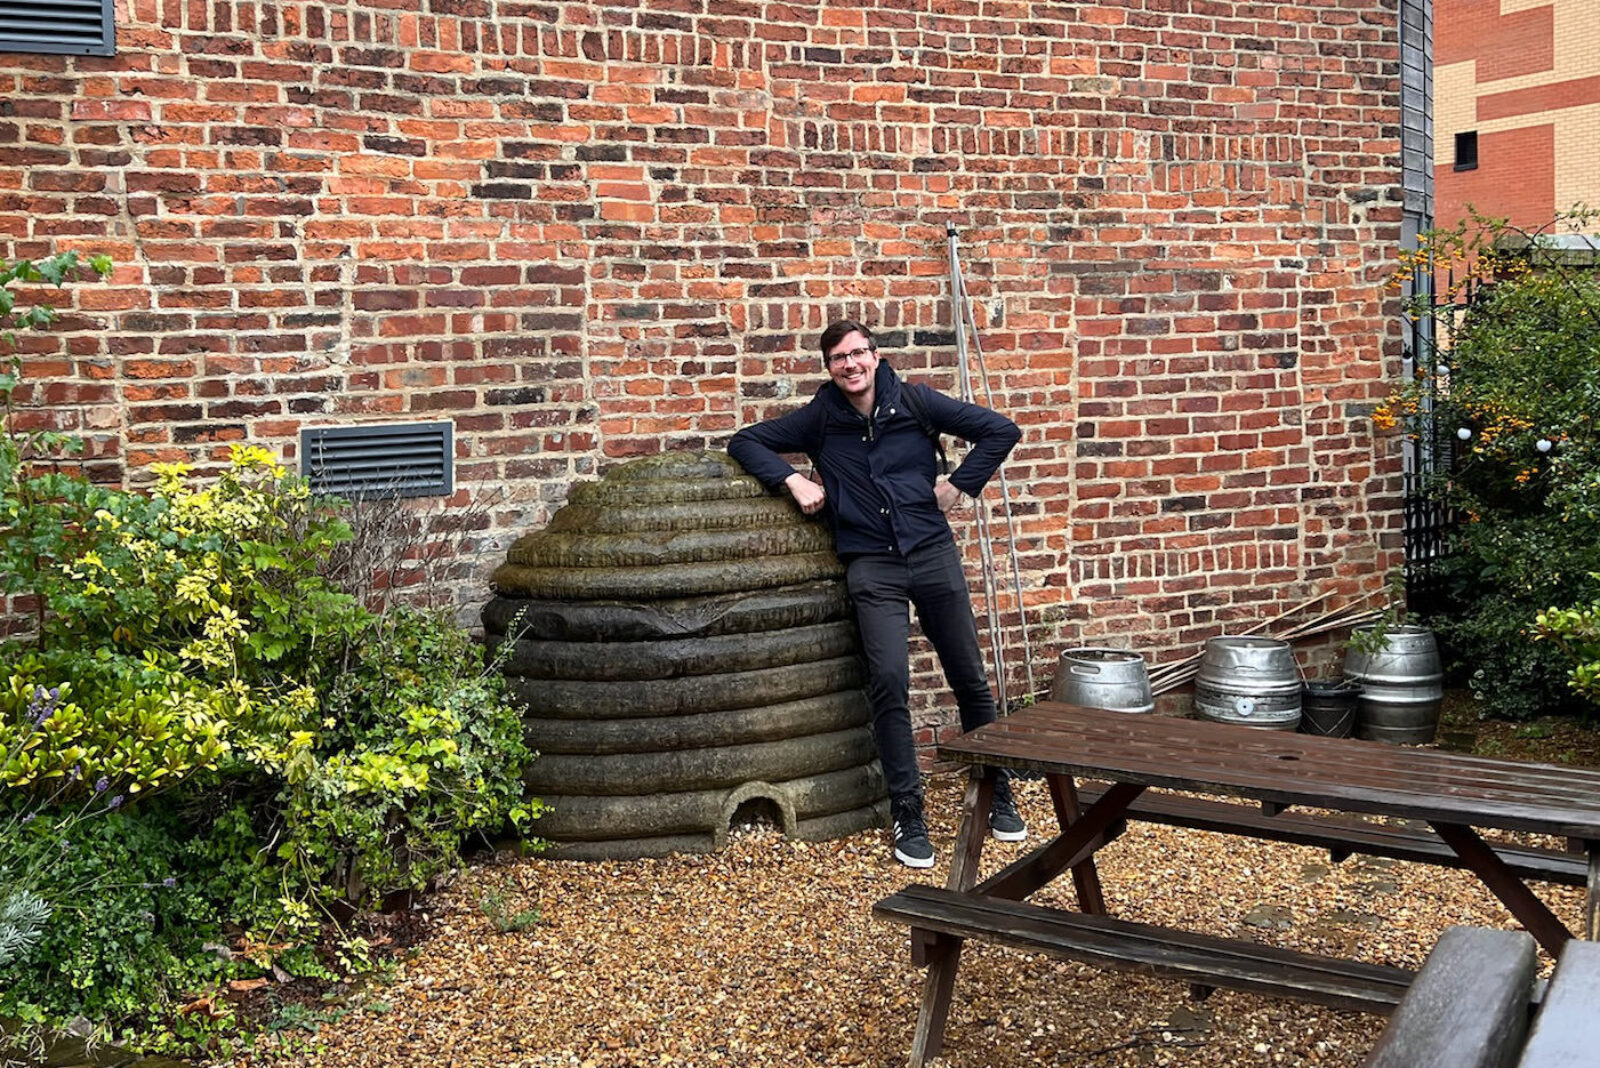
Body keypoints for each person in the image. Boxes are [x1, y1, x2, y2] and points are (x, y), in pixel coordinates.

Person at [728, 319, 1025, 868]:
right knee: (889, 681)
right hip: (871, 567)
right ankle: (907, 812)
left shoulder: (915, 402)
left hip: (933, 557)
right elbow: (745, 440)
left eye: (858, 353)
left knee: (969, 676)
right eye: (839, 358)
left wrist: (959, 485)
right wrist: (793, 480)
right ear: (829, 367)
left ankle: (997, 791)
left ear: (876, 355)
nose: (851, 365)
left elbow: (1000, 430)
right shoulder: (822, 418)